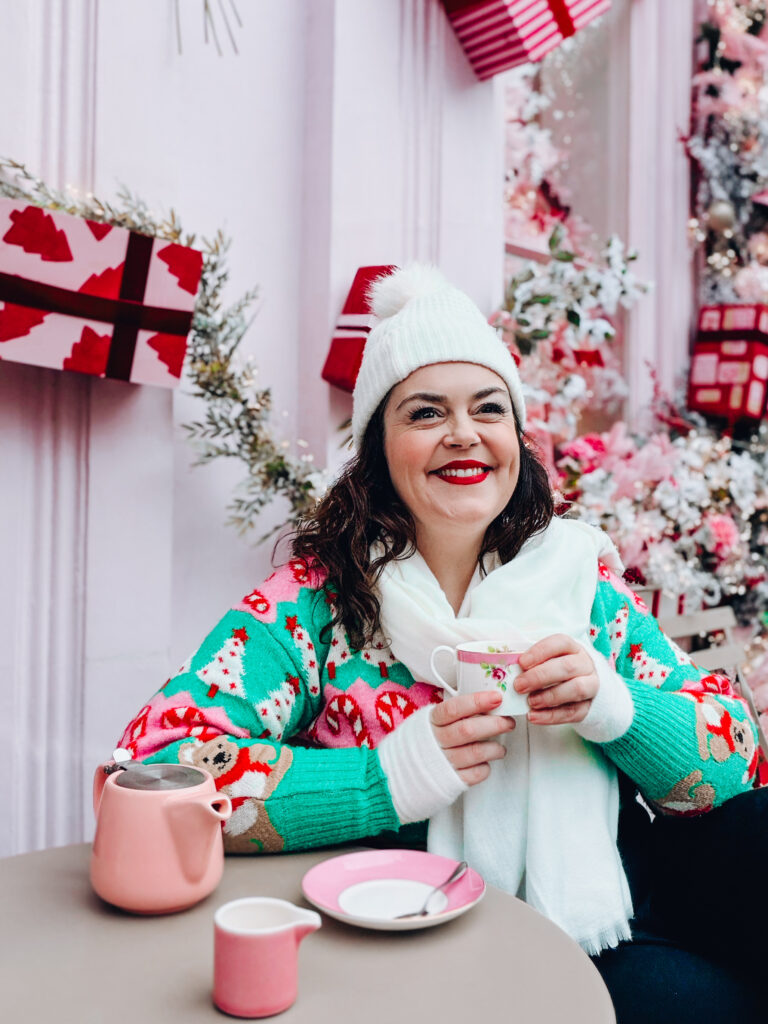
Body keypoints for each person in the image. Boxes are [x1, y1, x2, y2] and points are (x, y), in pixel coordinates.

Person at [118, 264, 764, 1022]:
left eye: (489, 409)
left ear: (516, 438)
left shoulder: (578, 581)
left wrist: (617, 709)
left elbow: (739, 754)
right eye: (426, 413)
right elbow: (154, 769)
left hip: (606, 904)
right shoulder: (314, 603)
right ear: (378, 451)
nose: (464, 433)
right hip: (414, 928)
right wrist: (383, 780)